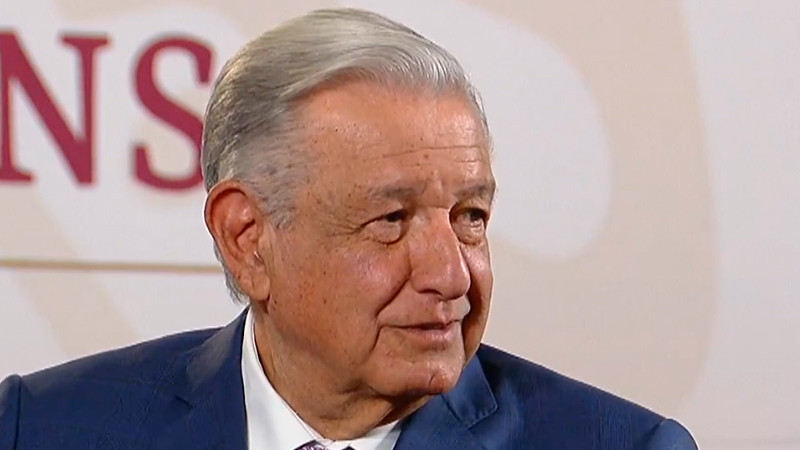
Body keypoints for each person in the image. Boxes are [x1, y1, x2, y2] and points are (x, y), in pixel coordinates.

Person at [0, 8, 697, 450]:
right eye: (391, 220)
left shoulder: (624, 446)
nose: (451, 274)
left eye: (470, 217)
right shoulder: (42, 428)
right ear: (247, 237)